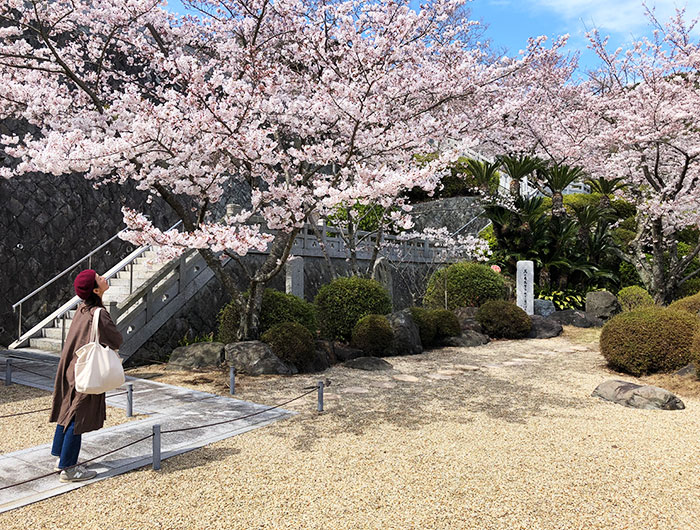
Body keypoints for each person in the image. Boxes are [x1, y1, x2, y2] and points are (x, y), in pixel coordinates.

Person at [49, 269, 123, 483]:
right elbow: (116, 341)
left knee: (68, 410)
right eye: (99, 278)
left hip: (73, 367)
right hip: (86, 371)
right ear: (95, 289)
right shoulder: (98, 314)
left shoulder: (82, 310)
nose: (104, 277)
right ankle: (69, 468)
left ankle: (59, 457)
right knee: (77, 416)